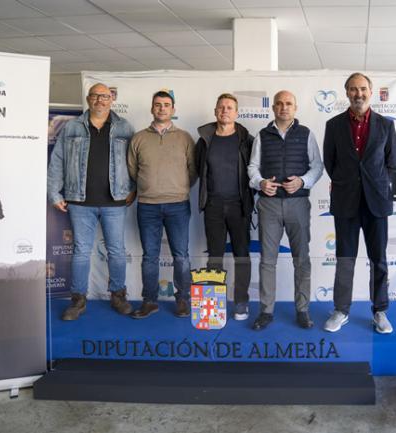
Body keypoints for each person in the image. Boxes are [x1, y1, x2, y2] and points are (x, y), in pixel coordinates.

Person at [47, 83, 136, 321]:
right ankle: (78, 300)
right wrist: (54, 194)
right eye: (96, 96)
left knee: (116, 251)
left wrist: (133, 189)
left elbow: (135, 162)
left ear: (111, 100)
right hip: (79, 201)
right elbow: (57, 161)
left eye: (105, 96)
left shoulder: (124, 127)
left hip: (115, 201)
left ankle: (118, 295)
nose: (100, 100)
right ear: (88, 99)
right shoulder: (72, 127)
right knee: (81, 252)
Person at [322, 72, 396, 334]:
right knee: (345, 259)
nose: (359, 94)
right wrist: (348, 183)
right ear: (346, 93)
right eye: (353, 89)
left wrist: (375, 184)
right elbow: (330, 163)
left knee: (379, 259)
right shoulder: (333, 126)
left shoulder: (386, 126)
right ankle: (341, 310)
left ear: (371, 91)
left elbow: (392, 164)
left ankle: (380, 311)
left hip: (376, 202)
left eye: (363, 89)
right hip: (346, 202)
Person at [247, 90, 324, 330]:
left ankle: (302, 310)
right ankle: (266, 311)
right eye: (279, 104)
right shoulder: (262, 135)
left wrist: (302, 181)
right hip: (268, 205)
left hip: (298, 204)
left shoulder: (306, 134)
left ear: (295, 107)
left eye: (288, 103)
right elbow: (253, 167)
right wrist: (260, 183)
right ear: (273, 108)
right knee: (267, 261)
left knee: (301, 260)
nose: (283, 107)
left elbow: (317, 167)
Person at [128, 91, 197, 319]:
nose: (162, 108)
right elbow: (132, 170)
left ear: (173, 110)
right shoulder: (138, 139)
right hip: (147, 206)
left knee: (181, 256)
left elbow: (193, 171)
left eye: (166, 105)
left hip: (178, 205)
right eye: (157, 105)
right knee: (150, 256)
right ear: (152, 109)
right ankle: (150, 301)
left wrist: (178, 188)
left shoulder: (185, 138)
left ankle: (183, 300)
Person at [196, 93, 254, 320]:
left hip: (239, 206)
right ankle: (212, 305)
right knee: (215, 257)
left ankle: (241, 302)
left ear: (236, 113)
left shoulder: (246, 141)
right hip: (213, 206)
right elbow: (197, 169)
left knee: (242, 255)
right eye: (221, 107)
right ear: (215, 111)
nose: (225, 111)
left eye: (229, 107)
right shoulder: (204, 141)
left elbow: (255, 170)